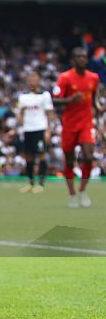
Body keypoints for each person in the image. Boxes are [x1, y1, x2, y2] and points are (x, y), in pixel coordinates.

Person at [52, 47, 104, 208]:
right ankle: (72, 194)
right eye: (78, 57)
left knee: (89, 156)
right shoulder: (65, 78)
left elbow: (94, 99)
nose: (82, 59)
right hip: (69, 124)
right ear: (73, 60)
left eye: (84, 56)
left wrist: (99, 108)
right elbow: (54, 101)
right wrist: (69, 100)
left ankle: (82, 190)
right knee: (69, 160)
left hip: (87, 123)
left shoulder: (94, 78)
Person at [15, 72, 54, 193]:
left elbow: (50, 113)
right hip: (28, 129)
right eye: (30, 79)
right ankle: (30, 182)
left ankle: (41, 183)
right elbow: (20, 113)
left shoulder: (45, 95)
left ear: (38, 81)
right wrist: (19, 120)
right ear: (27, 81)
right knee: (28, 156)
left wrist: (48, 130)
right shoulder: (23, 97)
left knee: (41, 154)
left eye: (35, 79)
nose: (32, 81)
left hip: (40, 128)